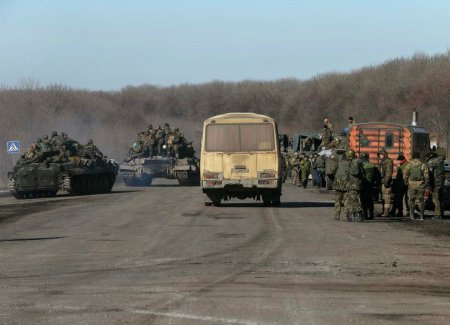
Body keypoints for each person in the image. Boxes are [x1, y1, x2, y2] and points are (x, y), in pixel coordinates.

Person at [403, 152, 429, 221]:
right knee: (421, 200)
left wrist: (406, 182)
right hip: (420, 184)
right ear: (419, 157)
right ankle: (421, 216)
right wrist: (425, 184)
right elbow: (426, 176)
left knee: (411, 200)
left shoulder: (409, 165)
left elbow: (405, 174)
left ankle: (412, 215)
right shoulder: (423, 165)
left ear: (413, 157)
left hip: (411, 184)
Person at [343, 149, 365, 222]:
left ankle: (359, 213)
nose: (347, 158)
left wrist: (349, 169)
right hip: (355, 183)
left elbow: (355, 172)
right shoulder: (357, 161)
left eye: (348, 157)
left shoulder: (355, 162)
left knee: (353, 200)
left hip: (354, 184)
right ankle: (357, 214)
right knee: (354, 199)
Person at [427, 151, 445, 219]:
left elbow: (429, 174)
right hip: (441, 182)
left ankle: (438, 215)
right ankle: (441, 213)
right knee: (440, 198)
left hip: (435, 183)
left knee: (435, 198)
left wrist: (429, 185)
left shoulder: (431, 162)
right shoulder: (440, 159)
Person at [333, 152, 349, 220]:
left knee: (338, 201)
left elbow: (333, 170)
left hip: (338, 183)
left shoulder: (338, 163)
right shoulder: (350, 164)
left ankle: (337, 215)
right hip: (347, 184)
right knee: (346, 201)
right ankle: (346, 216)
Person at [377, 148, 393, 217]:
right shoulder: (382, 162)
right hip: (382, 181)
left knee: (387, 197)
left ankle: (386, 212)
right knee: (383, 197)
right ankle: (384, 211)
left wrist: (386, 181)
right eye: (379, 154)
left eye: (380, 154)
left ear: (384, 154)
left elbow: (389, 172)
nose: (380, 156)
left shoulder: (388, 161)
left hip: (386, 182)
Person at [360, 152, 375, 220]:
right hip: (370, 184)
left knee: (363, 200)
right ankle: (371, 214)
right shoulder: (372, 165)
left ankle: (365, 214)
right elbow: (376, 175)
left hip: (363, 184)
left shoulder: (361, 165)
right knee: (370, 200)